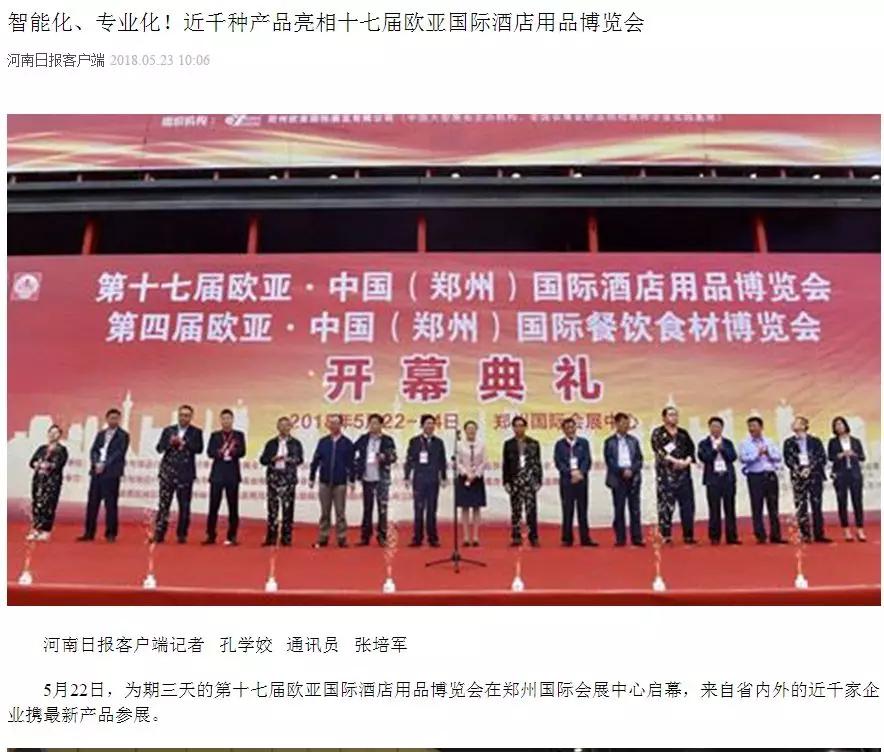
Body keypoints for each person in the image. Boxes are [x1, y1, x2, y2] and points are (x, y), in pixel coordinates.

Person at [153, 404, 204, 543]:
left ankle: (182, 534)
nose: (184, 418)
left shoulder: (196, 432)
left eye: (187, 416)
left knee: (184, 506)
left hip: (185, 474)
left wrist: (184, 443)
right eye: (181, 415)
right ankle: (159, 533)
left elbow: (199, 449)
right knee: (164, 504)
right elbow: (159, 448)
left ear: (191, 417)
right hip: (167, 472)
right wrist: (170, 443)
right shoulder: (168, 430)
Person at [78, 408, 130, 543]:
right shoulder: (101, 434)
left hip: (111, 474)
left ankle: (111, 533)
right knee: (92, 504)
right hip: (97, 473)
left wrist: (104, 464)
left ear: (119, 419)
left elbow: (119, 453)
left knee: (110, 504)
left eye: (116, 418)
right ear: (107, 419)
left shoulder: (123, 435)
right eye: (111, 418)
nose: (114, 420)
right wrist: (96, 463)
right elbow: (94, 450)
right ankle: (89, 533)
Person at [650, 406, 697, 544]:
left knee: (687, 506)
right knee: (665, 506)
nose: (674, 417)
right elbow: (659, 451)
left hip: (684, 475)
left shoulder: (683, 433)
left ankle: (688, 535)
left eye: (676, 415)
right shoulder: (658, 433)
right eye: (670, 415)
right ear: (664, 417)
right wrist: (675, 461)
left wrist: (686, 462)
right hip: (666, 476)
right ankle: (665, 535)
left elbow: (691, 450)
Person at [309, 414, 354, 548]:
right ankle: (323, 537)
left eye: (336, 423)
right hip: (324, 481)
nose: (333, 426)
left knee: (340, 512)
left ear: (341, 425)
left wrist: (352, 480)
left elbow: (351, 464)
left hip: (340, 482)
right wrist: (312, 477)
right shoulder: (323, 442)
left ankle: (342, 538)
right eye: (331, 423)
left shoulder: (347, 443)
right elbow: (316, 460)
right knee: (324, 512)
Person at [783, 416, 831, 543]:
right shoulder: (789, 442)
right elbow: (788, 459)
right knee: (801, 506)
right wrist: (799, 470)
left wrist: (809, 468)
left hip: (815, 475)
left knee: (817, 505)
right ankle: (805, 534)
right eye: (793, 423)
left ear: (805, 426)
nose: (794, 424)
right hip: (798, 477)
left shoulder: (815, 441)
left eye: (797, 423)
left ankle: (819, 534)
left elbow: (822, 458)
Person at [352, 413, 397, 546]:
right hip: (367, 478)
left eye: (376, 423)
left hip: (381, 478)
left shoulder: (387, 440)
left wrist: (384, 457)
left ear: (381, 425)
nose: (373, 426)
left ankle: (382, 536)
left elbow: (394, 457)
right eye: (371, 423)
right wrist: (356, 465)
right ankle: (365, 537)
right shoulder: (363, 439)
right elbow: (352, 451)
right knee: (367, 508)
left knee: (382, 509)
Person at [739, 415, 785, 544]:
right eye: (749, 426)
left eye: (754, 426)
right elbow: (743, 458)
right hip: (755, 476)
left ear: (761, 427)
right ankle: (760, 535)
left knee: (773, 506)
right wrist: (757, 454)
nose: (751, 429)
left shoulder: (769, 441)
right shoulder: (745, 443)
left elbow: (778, 456)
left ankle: (776, 535)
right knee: (757, 506)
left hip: (770, 475)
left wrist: (768, 453)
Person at [203, 408, 246, 546]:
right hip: (217, 475)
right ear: (220, 420)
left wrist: (232, 451)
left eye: (228, 418)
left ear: (232, 420)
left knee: (233, 507)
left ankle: (232, 536)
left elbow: (242, 451)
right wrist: (220, 452)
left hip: (232, 475)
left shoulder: (239, 435)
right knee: (213, 507)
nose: (226, 421)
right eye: (224, 418)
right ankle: (210, 535)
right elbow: (209, 452)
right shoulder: (215, 435)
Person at [259, 416, 304, 546]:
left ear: (290, 427)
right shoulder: (271, 443)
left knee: (288, 510)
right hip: (274, 478)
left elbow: (300, 459)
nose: (284, 428)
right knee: (272, 510)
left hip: (288, 479)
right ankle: (271, 538)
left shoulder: (296, 443)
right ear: (277, 427)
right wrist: (272, 459)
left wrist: (289, 459)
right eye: (281, 425)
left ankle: (286, 538)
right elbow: (263, 460)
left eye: (286, 425)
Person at [404, 414, 447, 547]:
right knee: (418, 509)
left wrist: (443, 477)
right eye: (427, 423)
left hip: (433, 479)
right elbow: (409, 460)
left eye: (432, 423)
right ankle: (417, 538)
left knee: (432, 510)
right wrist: (407, 476)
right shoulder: (415, 441)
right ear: (422, 425)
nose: (430, 426)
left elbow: (442, 461)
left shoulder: (439, 442)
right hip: (419, 479)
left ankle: (433, 538)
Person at [553, 417, 596, 546]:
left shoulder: (583, 443)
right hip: (567, 480)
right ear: (563, 430)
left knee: (583, 510)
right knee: (567, 510)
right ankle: (567, 539)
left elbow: (587, 460)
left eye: (572, 427)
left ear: (575, 428)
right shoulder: (559, 445)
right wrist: (571, 472)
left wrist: (580, 472)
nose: (570, 430)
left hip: (581, 480)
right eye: (567, 428)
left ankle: (585, 538)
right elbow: (559, 462)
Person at [603, 412, 644, 547]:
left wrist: (631, 470)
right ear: (616, 424)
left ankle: (637, 538)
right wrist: (622, 471)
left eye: (627, 424)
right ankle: (620, 538)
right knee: (619, 509)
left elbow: (639, 459)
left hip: (633, 477)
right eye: (623, 423)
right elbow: (609, 461)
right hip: (618, 478)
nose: (626, 426)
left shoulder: (633, 441)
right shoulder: (609, 442)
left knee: (635, 509)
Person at [697, 416, 740, 545]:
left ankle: (732, 537)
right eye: (713, 426)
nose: (715, 429)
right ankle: (715, 537)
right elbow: (704, 457)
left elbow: (733, 457)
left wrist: (723, 450)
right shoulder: (703, 443)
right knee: (714, 509)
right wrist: (715, 451)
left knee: (730, 508)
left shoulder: (728, 442)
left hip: (727, 478)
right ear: (709, 428)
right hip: (712, 480)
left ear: (722, 428)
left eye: (718, 426)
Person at [502, 415, 543, 547]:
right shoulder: (508, 444)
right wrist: (506, 482)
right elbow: (505, 465)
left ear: (525, 427)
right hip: (515, 480)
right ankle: (516, 536)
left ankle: (533, 537)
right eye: (516, 426)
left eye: (521, 426)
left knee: (531, 510)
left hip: (529, 480)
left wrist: (538, 480)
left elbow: (538, 463)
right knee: (516, 510)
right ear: (513, 428)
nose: (519, 428)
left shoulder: (533, 443)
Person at [828, 416, 867, 542]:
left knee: (857, 502)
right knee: (842, 502)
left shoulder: (855, 441)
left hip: (855, 474)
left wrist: (853, 454)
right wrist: (840, 455)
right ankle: (846, 530)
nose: (839, 427)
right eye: (836, 425)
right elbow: (830, 457)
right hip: (840, 475)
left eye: (841, 424)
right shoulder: (833, 442)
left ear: (846, 425)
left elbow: (862, 457)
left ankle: (860, 529)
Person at [27, 424, 68, 541]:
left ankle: (46, 530)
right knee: (36, 504)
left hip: (52, 482)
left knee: (49, 506)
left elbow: (59, 464)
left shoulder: (62, 450)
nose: (53, 435)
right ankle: (36, 529)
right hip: (38, 480)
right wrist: (37, 464)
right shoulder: (42, 448)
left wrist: (47, 466)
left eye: (56, 433)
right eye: (51, 432)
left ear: (60, 435)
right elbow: (32, 462)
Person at [454, 420, 487, 547]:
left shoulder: (481, 444)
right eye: (469, 429)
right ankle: (466, 537)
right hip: (464, 478)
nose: (471, 431)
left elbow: (484, 461)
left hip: (477, 478)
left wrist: (476, 474)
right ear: (465, 431)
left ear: (476, 430)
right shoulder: (459, 445)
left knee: (476, 507)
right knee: (465, 507)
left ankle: (476, 536)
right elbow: (458, 462)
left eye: (473, 428)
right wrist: (466, 473)